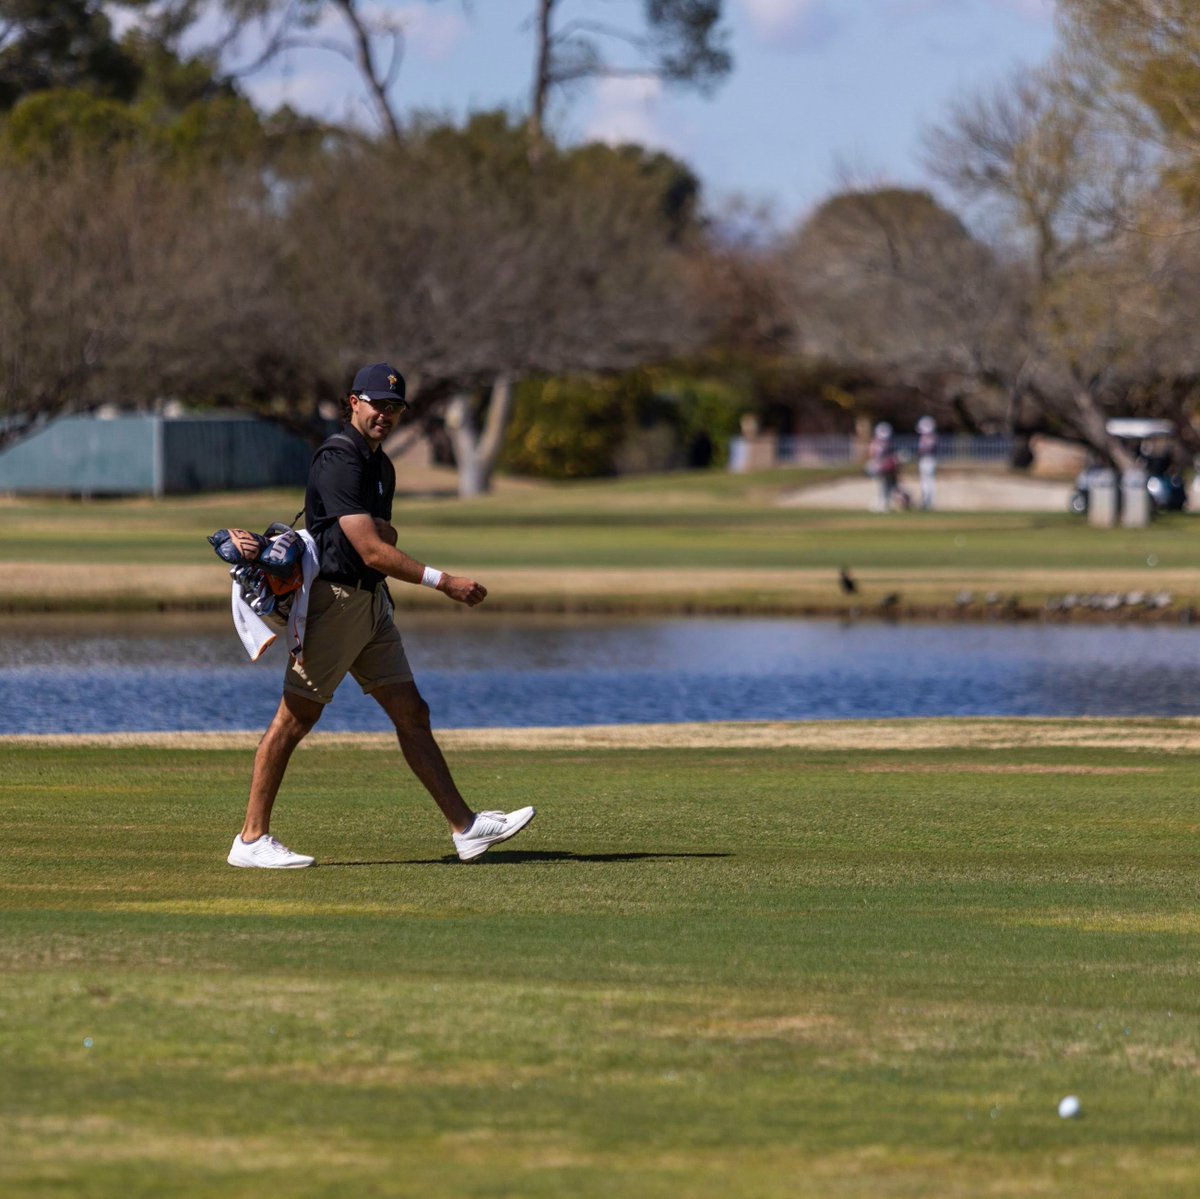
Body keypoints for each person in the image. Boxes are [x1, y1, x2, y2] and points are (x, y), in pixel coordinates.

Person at [227, 362, 535, 869]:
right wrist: (445, 582)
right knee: (293, 719)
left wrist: (373, 540)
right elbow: (372, 548)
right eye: (377, 405)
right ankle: (251, 839)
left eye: (394, 408)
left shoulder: (381, 466)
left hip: (371, 605)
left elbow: (381, 540)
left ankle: (466, 828)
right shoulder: (339, 458)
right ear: (353, 403)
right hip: (334, 603)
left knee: (412, 711)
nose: (385, 415)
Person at [866, 421, 899, 513]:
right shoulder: (878, 443)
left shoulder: (882, 443)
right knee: (882, 487)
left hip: (885, 468)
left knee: (885, 487)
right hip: (880, 467)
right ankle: (880, 504)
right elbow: (874, 455)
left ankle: (883, 504)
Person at [916, 415, 938, 511]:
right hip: (926, 460)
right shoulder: (928, 437)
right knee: (925, 482)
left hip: (928, 460)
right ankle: (926, 501)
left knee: (928, 483)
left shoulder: (929, 437)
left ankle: (927, 502)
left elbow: (926, 449)